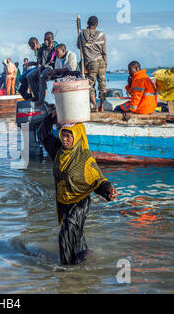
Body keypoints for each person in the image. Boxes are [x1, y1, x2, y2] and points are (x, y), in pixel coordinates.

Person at [37, 111, 118, 265]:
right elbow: (42, 134)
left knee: (66, 235)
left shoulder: (85, 156)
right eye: (63, 135)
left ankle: (67, 271)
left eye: (69, 136)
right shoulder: (59, 151)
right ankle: (84, 256)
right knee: (76, 236)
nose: (65, 139)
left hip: (80, 202)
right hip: (64, 200)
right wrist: (52, 116)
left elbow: (98, 180)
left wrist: (108, 190)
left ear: (77, 136)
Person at [77, 16, 108, 112]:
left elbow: (79, 46)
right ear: (96, 24)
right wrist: (106, 63)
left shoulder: (81, 34)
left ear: (87, 23)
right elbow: (104, 51)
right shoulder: (102, 35)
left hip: (91, 62)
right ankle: (102, 106)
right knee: (102, 84)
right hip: (101, 61)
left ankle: (95, 106)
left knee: (89, 84)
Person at [38, 32, 58, 103]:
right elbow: (39, 62)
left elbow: (55, 62)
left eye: (48, 39)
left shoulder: (56, 48)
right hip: (43, 67)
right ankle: (36, 97)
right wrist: (39, 67)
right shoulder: (41, 48)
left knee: (42, 76)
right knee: (29, 76)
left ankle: (41, 101)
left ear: (52, 39)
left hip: (51, 67)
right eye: (45, 39)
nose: (46, 41)